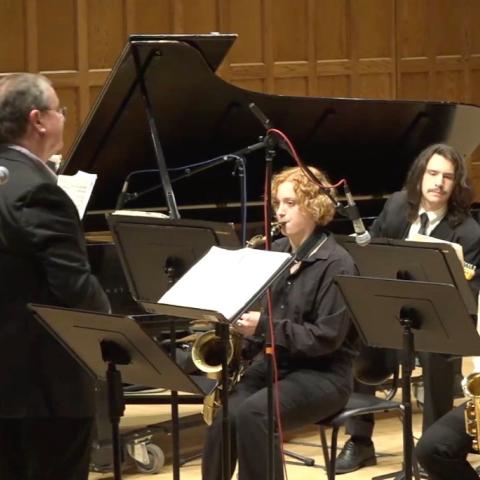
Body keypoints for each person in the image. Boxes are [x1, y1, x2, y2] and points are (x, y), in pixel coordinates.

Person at [201, 165, 358, 480]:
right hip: (275, 364)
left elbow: (325, 339)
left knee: (254, 414)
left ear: (314, 207)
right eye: (277, 204)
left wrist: (261, 326)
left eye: (290, 203)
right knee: (226, 415)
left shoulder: (338, 264)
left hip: (323, 374)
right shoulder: (276, 253)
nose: (280, 212)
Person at [336, 143, 480, 474]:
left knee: (439, 353)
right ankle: (360, 441)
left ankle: (428, 453)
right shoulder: (398, 206)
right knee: (362, 330)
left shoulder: (468, 231)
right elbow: (370, 252)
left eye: (447, 177)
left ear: (456, 184)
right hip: (393, 310)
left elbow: (469, 296)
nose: (439, 183)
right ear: (420, 175)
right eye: (432, 173)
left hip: (436, 319)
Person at [0, 72, 110, 479]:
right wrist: (116, 328)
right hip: (42, 388)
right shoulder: (39, 192)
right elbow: (75, 288)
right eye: (59, 110)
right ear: (38, 120)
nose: (64, 117)